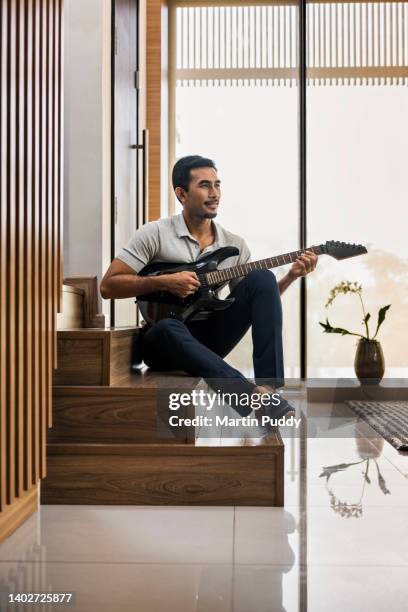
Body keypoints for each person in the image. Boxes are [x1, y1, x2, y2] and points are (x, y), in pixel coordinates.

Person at [100, 155, 318, 421]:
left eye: (217, 185)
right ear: (181, 193)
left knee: (262, 278)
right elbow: (108, 286)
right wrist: (163, 281)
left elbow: (256, 303)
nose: (214, 193)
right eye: (205, 185)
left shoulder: (234, 245)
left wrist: (290, 277)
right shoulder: (154, 233)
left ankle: (268, 390)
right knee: (167, 328)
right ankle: (247, 394)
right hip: (164, 343)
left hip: (210, 339)